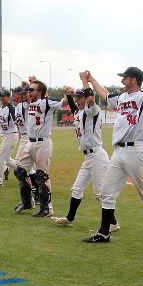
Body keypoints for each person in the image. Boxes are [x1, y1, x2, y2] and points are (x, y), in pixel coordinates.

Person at [81, 41, 143, 244]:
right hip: (118, 151)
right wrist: (91, 80)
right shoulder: (122, 97)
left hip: (136, 149)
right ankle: (104, 232)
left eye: (125, 77)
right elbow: (105, 95)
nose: (123, 79)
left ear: (133, 79)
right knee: (107, 193)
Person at [51, 80, 119, 231]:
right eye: (76, 97)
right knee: (76, 189)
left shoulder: (92, 111)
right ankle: (70, 219)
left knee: (100, 193)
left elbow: (91, 100)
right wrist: (68, 94)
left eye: (79, 97)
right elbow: (74, 107)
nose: (77, 99)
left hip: (97, 156)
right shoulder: (78, 112)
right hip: (88, 158)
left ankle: (113, 223)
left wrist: (85, 82)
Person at [13, 80, 66, 217]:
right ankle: (27, 202)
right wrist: (30, 83)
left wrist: (68, 95)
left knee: (41, 176)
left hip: (43, 143)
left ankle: (47, 207)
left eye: (32, 90)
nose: (28, 92)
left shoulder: (47, 102)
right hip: (30, 142)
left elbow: (63, 103)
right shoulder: (30, 103)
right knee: (20, 171)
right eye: (28, 90)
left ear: (40, 92)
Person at [0, 90, 18, 187]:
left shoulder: (12, 108)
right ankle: (23, 170)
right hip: (4, 136)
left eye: (3, 96)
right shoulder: (1, 108)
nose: (1, 98)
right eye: (0, 96)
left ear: (8, 97)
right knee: (7, 160)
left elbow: (17, 121)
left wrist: (21, 133)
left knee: (1, 159)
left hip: (11, 135)